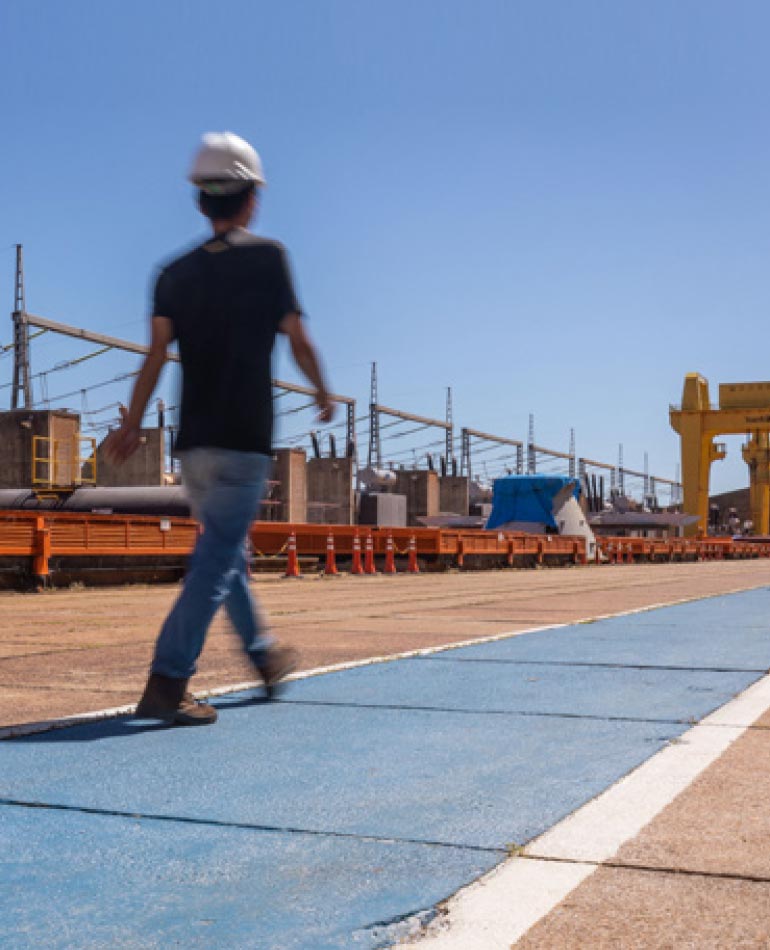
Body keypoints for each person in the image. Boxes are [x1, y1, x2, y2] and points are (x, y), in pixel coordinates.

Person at [106, 131, 333, 726]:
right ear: (252, 197)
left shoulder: (172, 273)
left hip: (195, 445)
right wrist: (322, 390)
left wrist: (132, 422)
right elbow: (298, 337)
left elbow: (154, 355)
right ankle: (167, 679)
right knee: (216, 559)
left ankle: (264, 656)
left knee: (223, 552)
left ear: (199, 199)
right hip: (243, 438)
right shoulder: (268, 258)